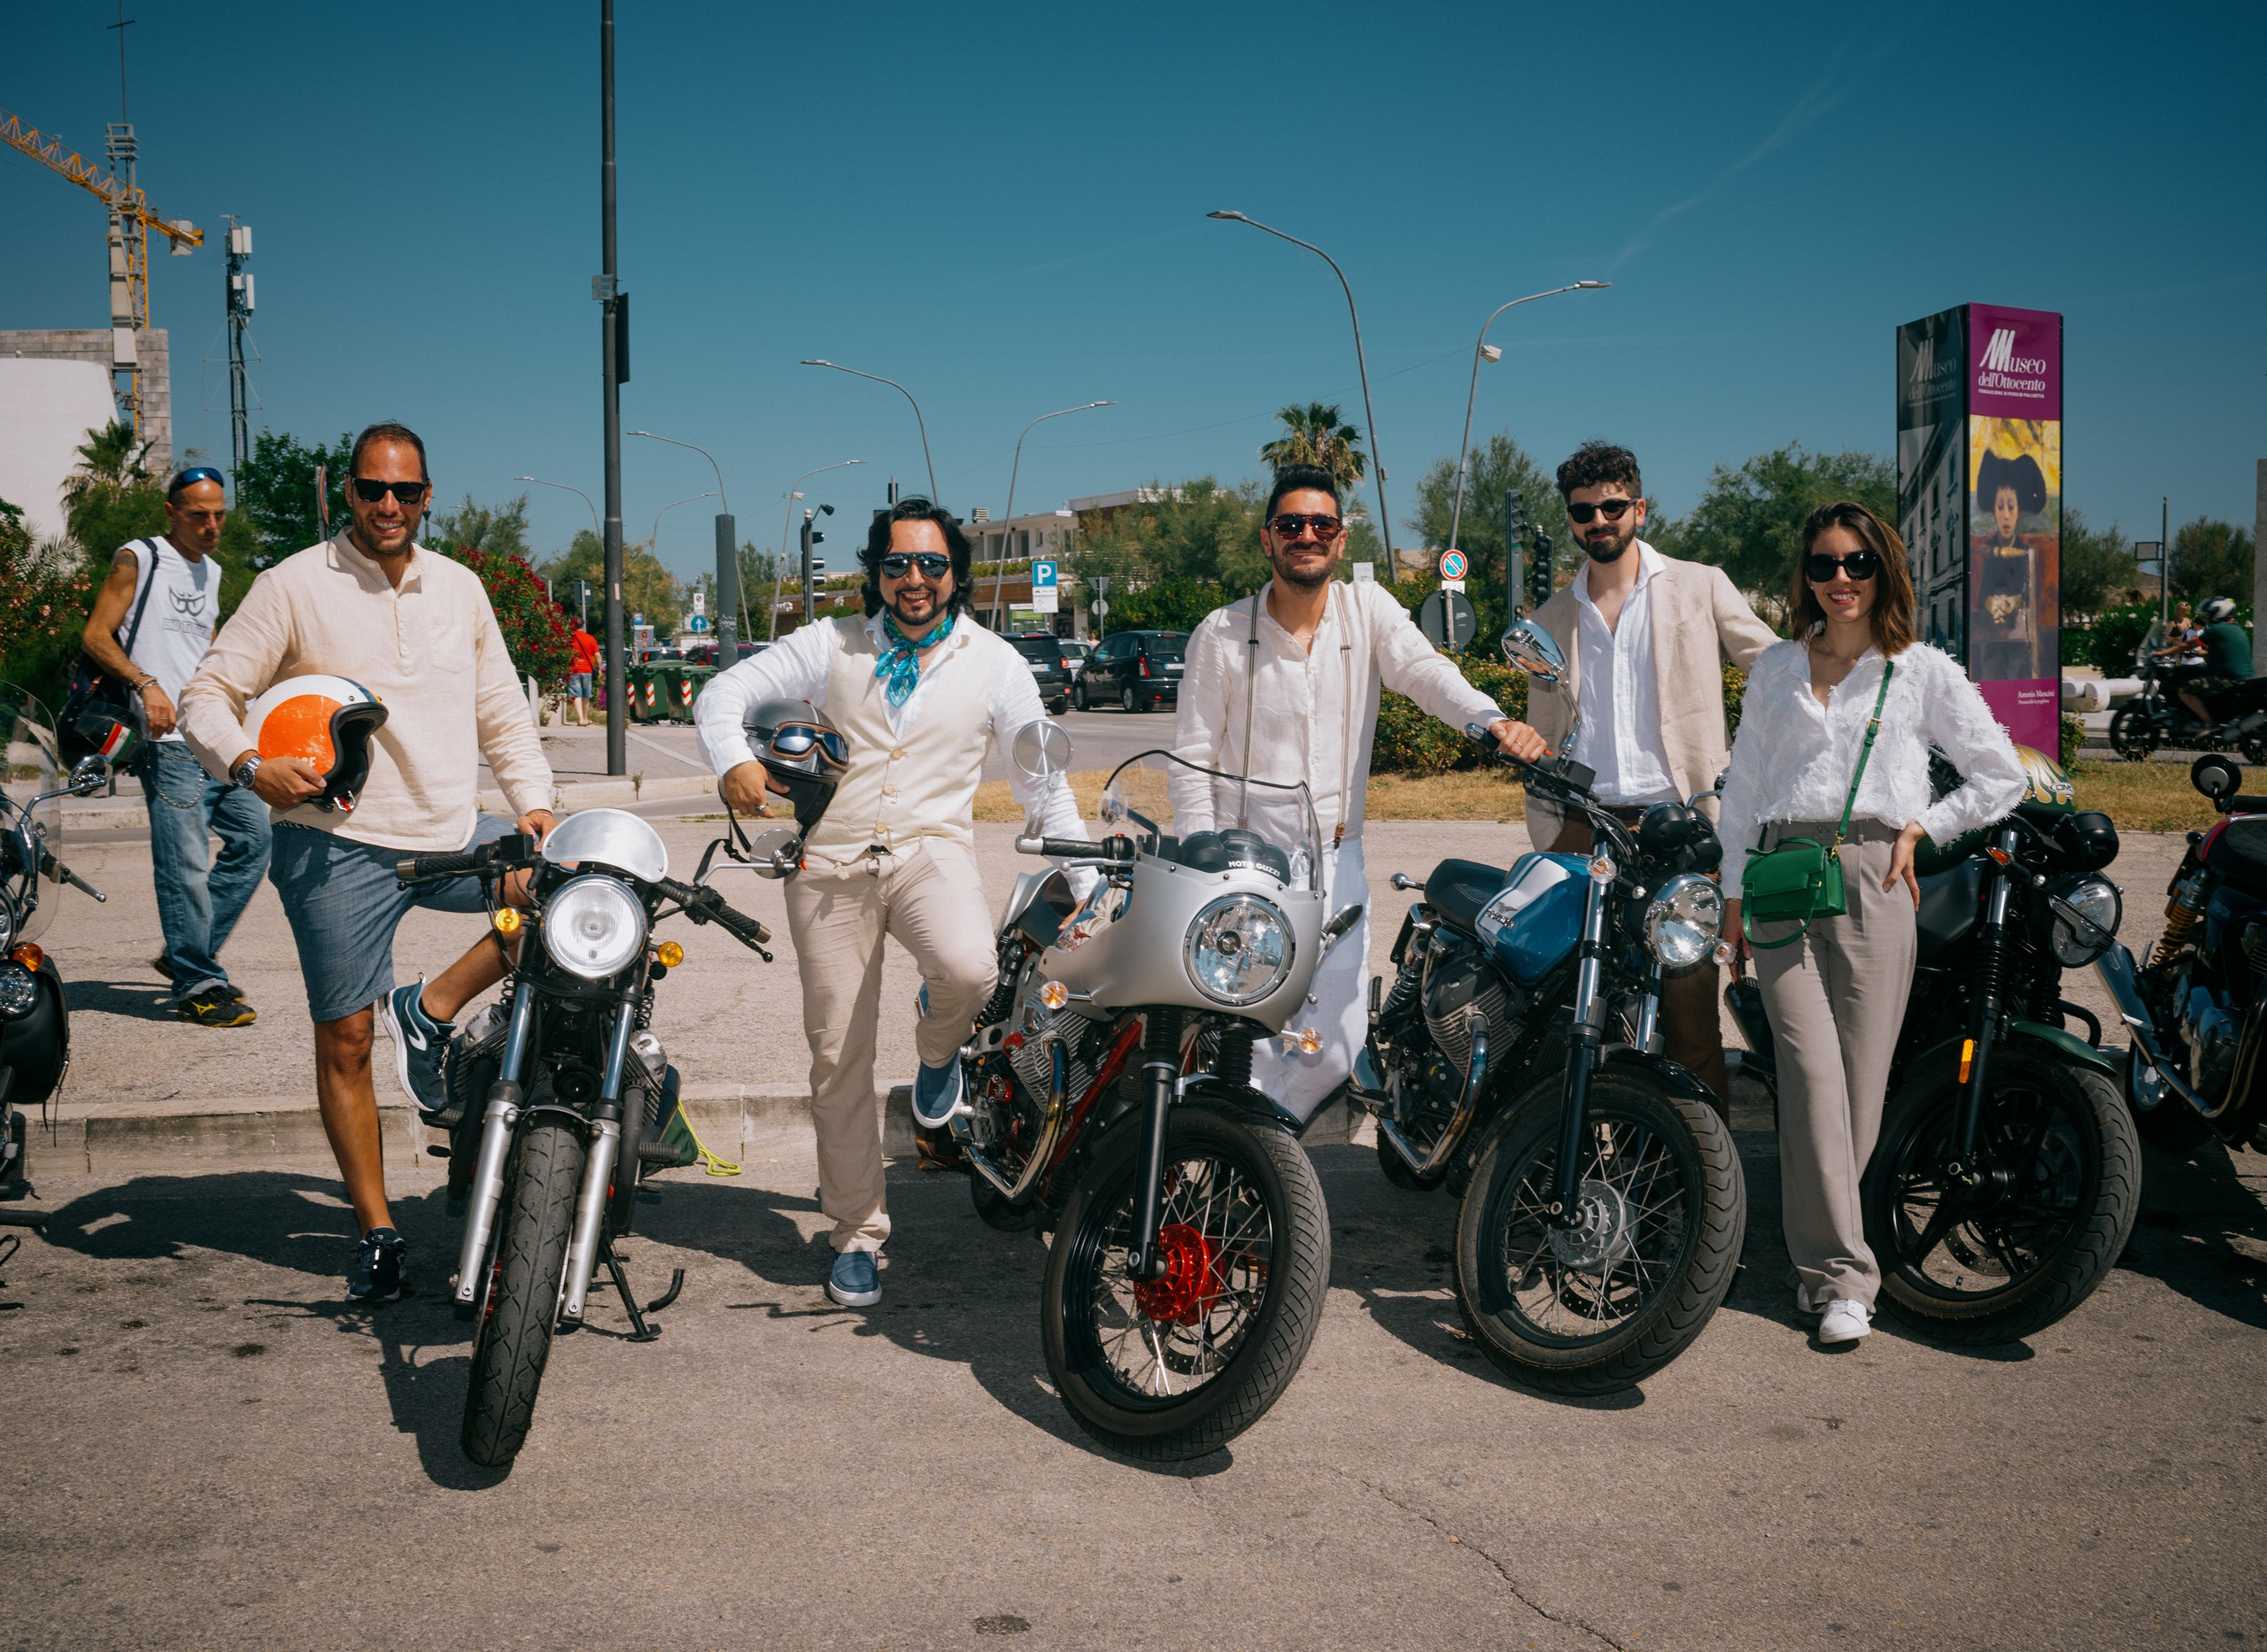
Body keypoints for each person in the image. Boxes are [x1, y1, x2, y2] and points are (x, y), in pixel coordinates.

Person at [180, 421, 557, 1303]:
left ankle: (427, 1010)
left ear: (429, 497)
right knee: (345, 1041)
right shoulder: (294, 585)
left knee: (558, 899)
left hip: (448, 829)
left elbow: (501, 707)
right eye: (371, 490)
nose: (389, 507)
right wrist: (246, 764)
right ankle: (378, 1231)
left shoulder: (460, 589)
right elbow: (207, 694)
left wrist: (534, 801)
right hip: (335, 845)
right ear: (344, 493)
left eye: (407, 492)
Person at [695, 498, 1086, 1309]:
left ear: (956, 574)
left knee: (970, 970)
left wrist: (1080, 873)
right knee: (838, 1057)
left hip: (928, 850)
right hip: (831, 861)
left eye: (932, 564)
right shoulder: (831, 643)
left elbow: (1038, 772)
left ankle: (938, 1053)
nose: (915, 579)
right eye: (898, 564)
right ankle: (857, 1234)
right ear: (876, 572)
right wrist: (733, 758)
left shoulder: (995, 662)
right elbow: (721, 695)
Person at [1718, 501, 2025, 1347]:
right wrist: (1733, 896)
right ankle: (1847, 1275)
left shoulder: (1920, 669)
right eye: (1823, 565)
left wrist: (1925, 827)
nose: (1841, 579)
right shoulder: (1777, 667)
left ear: (1884, 570)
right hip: (1782, 876)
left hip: (1875, 874)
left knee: (1857, 1088)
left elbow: (2001, 777)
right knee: (1812, 1076)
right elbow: (1743, 790)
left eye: (1858, 563)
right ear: (1805, 578)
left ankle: (1822, 1270)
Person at [1170, 463, 1545, 1123]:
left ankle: (1262, 1150)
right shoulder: (1223, 633)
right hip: (1247, 863)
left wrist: (1491, 719)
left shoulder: (1364, 610)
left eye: (1321, 524)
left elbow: (1426, 672)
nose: (1306, 536)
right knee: (1249, 1043)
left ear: (1340, 541)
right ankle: (1253, 1178)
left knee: (1334, 1051)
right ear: (1268, 539)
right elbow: (1193, 758)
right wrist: (1206, 861)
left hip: (1339, 862)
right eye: (1291, 524)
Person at [1520, 441, 1779, 1111]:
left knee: (1690, 1011)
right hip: (1586, 829)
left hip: (1680, 828)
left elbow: (1774, 667)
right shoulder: (1550, 619)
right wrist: (1549, 833)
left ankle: (1703, 1178)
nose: (1598, 520)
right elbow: (1544, 736)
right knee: (1568, 1005)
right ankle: (1580, 1162)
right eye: (1584, 511)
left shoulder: (1700, 585)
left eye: (1612, 506)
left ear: (1638, 506)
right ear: (1572, 519)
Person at [79, 465, 272, 1028]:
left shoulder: (211, 572)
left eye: (219, 515)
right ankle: (199, 983)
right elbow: (95, 635)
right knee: (185, 863)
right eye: (198, 515)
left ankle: (187, 953)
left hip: (212, 734)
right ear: (172, 513)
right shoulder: (139, 557)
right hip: (164, 740)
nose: (212, 525)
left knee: (254, 840)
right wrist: (147, 684)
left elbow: (205, 650)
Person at [1971, 450, 2054, 681]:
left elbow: (2030, 594)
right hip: (1990, 640)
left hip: (2021, 642)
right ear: (1993, 511)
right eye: (2000, 508)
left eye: (2011, 507)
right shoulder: (1985, 552)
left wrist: (2013, 602)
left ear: (2019, 511)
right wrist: (1991, 603)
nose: (2005, 515)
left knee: (2019, 673)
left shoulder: (2026, 553)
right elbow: (1983, 592)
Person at [2171, 596, 2254, 726]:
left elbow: (2189, 645)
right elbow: (2222, 651)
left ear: (2219, 612)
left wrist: (2161, 652)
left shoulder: (2217, 629)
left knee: (2185, 690)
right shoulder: (2236, 628)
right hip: (2240, 677)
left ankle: (2208, 724)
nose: (2206, 618)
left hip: (2226, 678)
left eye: (2209, 614)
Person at [566, 608, 600, 726]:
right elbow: (597, 655)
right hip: (587, 670)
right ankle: (586, 718)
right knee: (587, 695)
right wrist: (599, 668)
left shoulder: (569, 639)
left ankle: (580, 719)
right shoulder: (590, 639)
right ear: (583, 626)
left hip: (574, 670)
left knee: (576, 695)